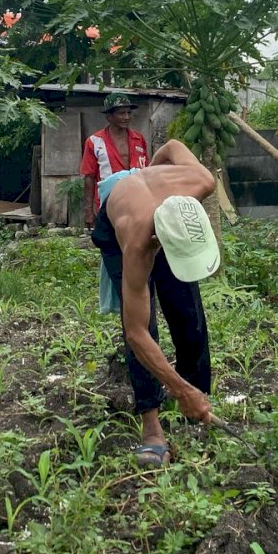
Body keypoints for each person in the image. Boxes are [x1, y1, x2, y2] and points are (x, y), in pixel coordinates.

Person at [91, 139, 218, 468]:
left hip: (164, 213)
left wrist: (148, 173)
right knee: (144, 326)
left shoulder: (202, 180)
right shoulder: (137, 242)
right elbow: (136, 333)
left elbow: (174, 145)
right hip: (120, 220)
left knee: (189, 314)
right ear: (157, 242)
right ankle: (151, 425)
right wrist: (177, 389)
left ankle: (198, 399)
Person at [81, 92, 149, 229]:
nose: (127, 117)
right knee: (111, 245)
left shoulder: (139, 139)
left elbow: (147, 171)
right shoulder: (94, 142)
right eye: (121, 113)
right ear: (109, 117)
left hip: (137, 200)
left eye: (129, 113)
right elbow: (89, 176)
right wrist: (88, 211)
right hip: (109, 202)